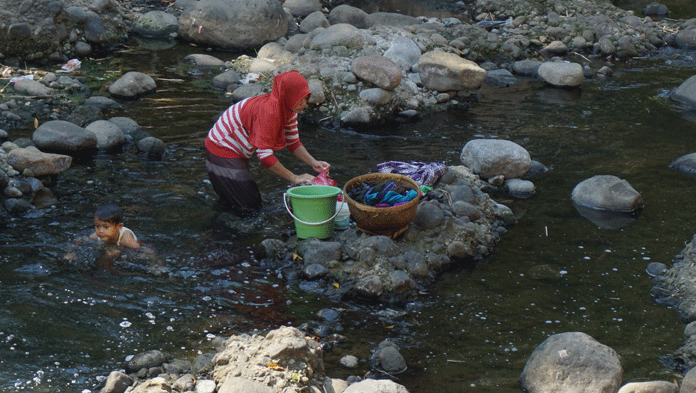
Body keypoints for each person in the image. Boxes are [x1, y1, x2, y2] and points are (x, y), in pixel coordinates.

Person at [205, 70, 330, 214]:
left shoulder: (289, 109)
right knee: (249, 205)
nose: (303, 103)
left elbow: (293, 142)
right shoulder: (270, 113)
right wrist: (294, 178)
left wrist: (313, 162)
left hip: (238, 148)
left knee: (243, 200)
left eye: (305, 98)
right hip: (221, 147)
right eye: (299, 99)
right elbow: (264, 156)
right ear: (287, 97)